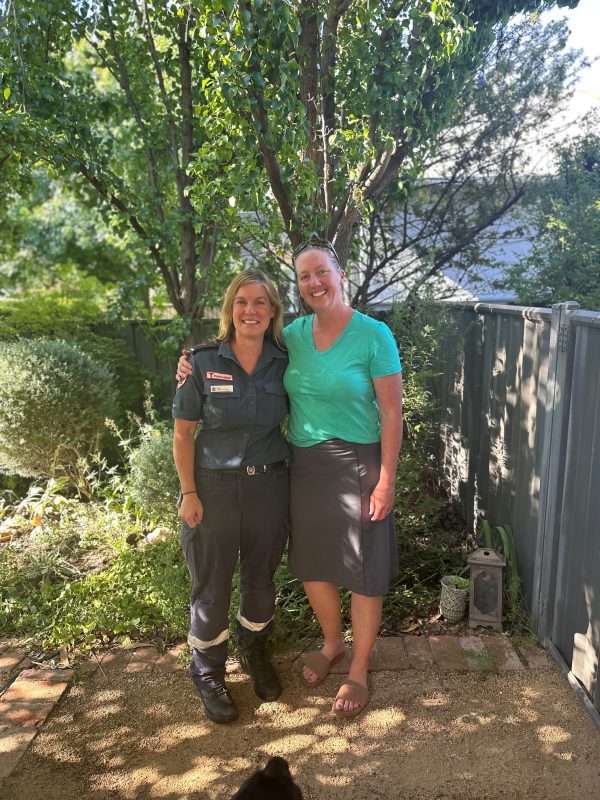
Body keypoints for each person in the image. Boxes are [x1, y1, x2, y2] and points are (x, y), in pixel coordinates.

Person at [177, 238, 403, 719]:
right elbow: (234, 354)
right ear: (298, 288)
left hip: (358, 461)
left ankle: (358, 669)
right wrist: (192, 362)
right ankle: (329, 645)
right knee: (312, 565)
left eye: (321, 271)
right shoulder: (292, 338)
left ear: (339, 274)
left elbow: (391, 411)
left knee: (362, 572)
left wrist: (386, 479)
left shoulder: (373, 335)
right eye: (304, 276)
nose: (315, 282)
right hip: (300, 465)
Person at [172, 269, 290, 724]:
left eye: (260, 302)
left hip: (268, 487)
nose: (250, 311)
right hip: (214, 490)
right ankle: (207, 671)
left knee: (260, 577)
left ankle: (254, 653)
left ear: (273, 311)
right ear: (230, 309)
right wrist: (189, 493)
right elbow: (183, 434)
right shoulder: (200, 362)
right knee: (212, 584)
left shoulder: (286, 361)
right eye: (242, 302)